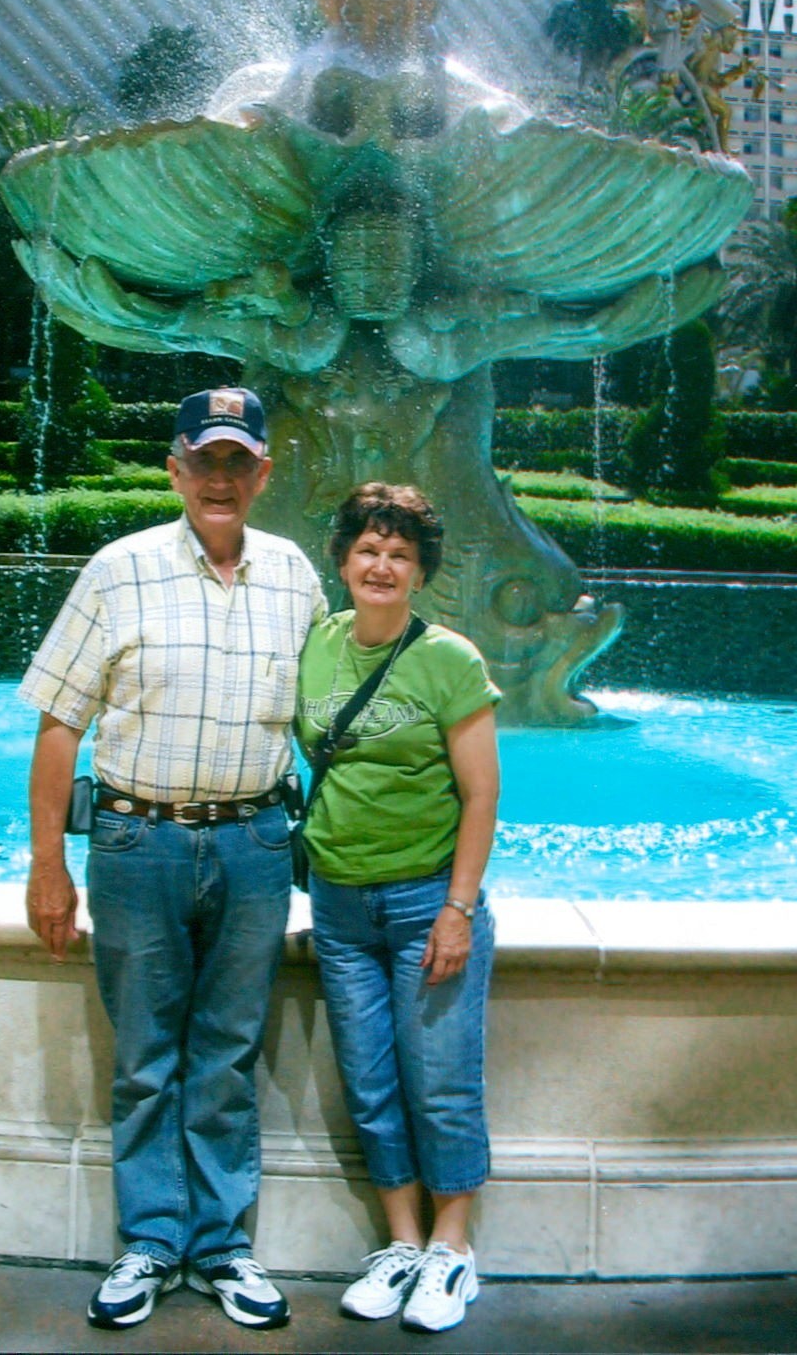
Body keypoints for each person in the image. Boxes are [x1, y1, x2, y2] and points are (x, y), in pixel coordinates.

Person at [20, 386, 325, 1333]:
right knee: (147, 1057)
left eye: (238, 461)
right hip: (135, 841)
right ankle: (151, 1240)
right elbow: (59, 723)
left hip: (255, 843)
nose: (219, 478)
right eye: (204, 460)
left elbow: (331, 716)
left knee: (227, 1052)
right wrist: (46, 866)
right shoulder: (118, 569)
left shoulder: (294, 575)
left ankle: (222, 1245)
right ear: (174, 469)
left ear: (263, 472)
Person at [295, 482, 500, 1334]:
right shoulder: (316, 644)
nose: (381, 565)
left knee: (440, 1081)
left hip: (425, 901)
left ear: (420, 571)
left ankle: (453, 1248)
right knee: (371, 1082)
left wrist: (458, 908)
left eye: (399, 554)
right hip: (339, 906)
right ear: (343, 560)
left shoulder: (449, 658)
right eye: (368, 549)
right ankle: (402, 1243)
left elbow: (480, 793)